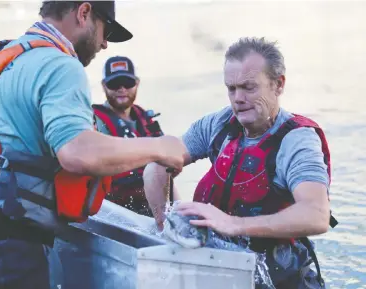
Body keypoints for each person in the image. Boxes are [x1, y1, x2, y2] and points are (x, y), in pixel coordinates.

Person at [0, 1, 186, 289]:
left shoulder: (1, 56)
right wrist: (159, 147)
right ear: (84, 12)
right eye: (105, 30)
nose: (104, 44)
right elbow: (76, 153)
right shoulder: (61, 65)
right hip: (3, 253)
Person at [143, 37, 338, 288]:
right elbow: (158, 165)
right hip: (220, 269)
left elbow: (317, 215)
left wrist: (233, 224)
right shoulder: (219, 124)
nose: (238, 98)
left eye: (249, 87)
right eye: (231, 88)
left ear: (278, 85)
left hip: (279, 278)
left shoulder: (297, 141)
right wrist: (166, 227)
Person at [93, 56, 179, 216]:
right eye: (114, 84)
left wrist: (178, 208)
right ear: (104, 86)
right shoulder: (94, 120)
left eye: (127, 83)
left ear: (137, 83)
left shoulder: (145, 118)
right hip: (115, 211)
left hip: (153, 207)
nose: (122, 89)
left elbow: (167, 168)